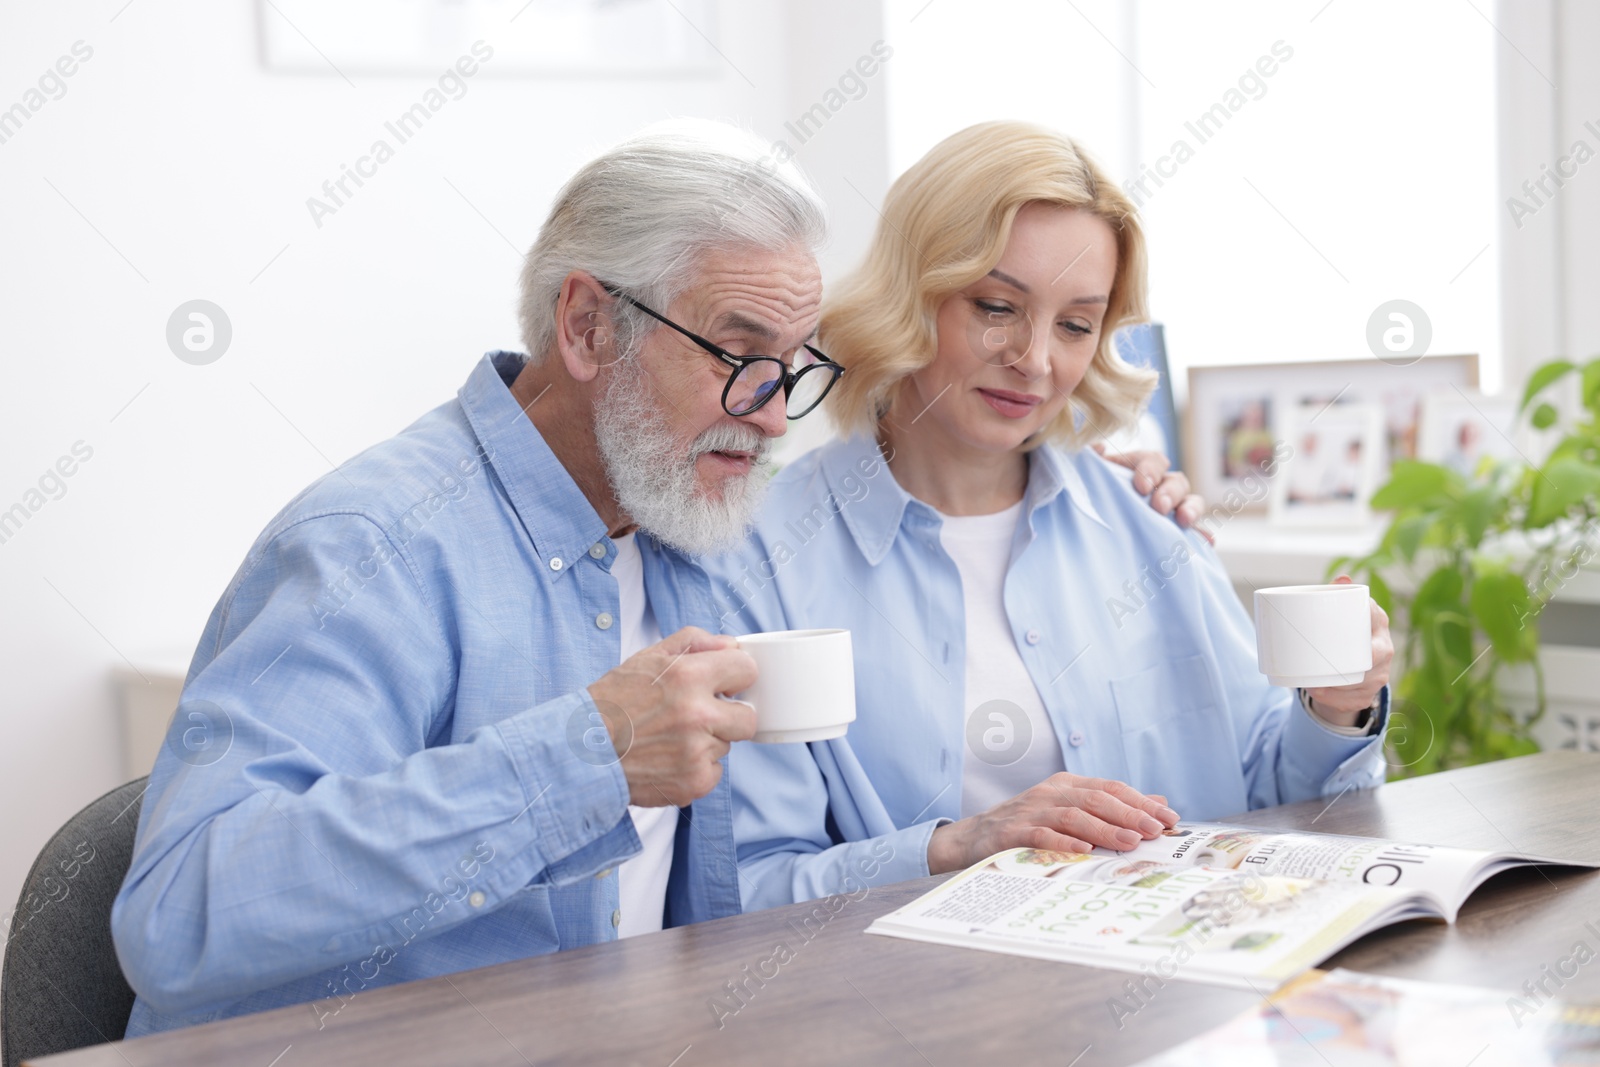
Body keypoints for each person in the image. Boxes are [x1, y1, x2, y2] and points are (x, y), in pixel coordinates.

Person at [111, 119, 830, 1034]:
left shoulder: (683, 526)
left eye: (794, 366)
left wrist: (945, 851)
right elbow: (180, 915)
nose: (773, 420)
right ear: (588, 326)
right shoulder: (373, 543)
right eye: (739, 358)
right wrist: (586, 757)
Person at [711, 121, 1394, 911]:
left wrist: (1336, 707)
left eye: (1076, 324)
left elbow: (1274, 789)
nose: (1035, 360)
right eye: (998, 306)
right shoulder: (763, 553)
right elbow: (749, 887)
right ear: (912, 295)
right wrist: (958, 845)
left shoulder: (1147, 520)